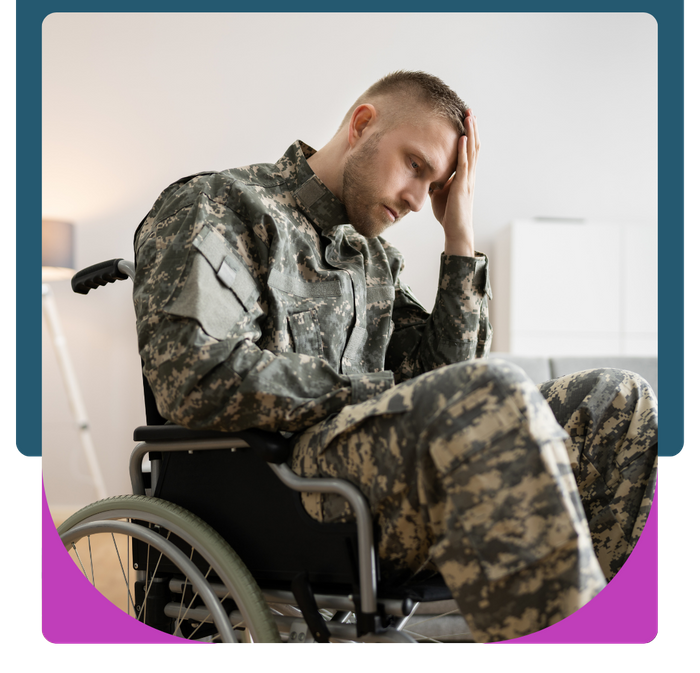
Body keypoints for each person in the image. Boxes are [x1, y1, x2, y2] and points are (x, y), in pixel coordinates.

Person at [132, 70, 658, 643]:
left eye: (432, 184)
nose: (414, 199)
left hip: (377, 474)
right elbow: (194, 376)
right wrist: (365, 391)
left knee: (618, 397)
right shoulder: (224, 204)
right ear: (362, 125)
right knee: (495, 393)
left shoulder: (375, 261)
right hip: (284, 486)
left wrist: (459, 236)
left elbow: (453, 381)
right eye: (414, 165)